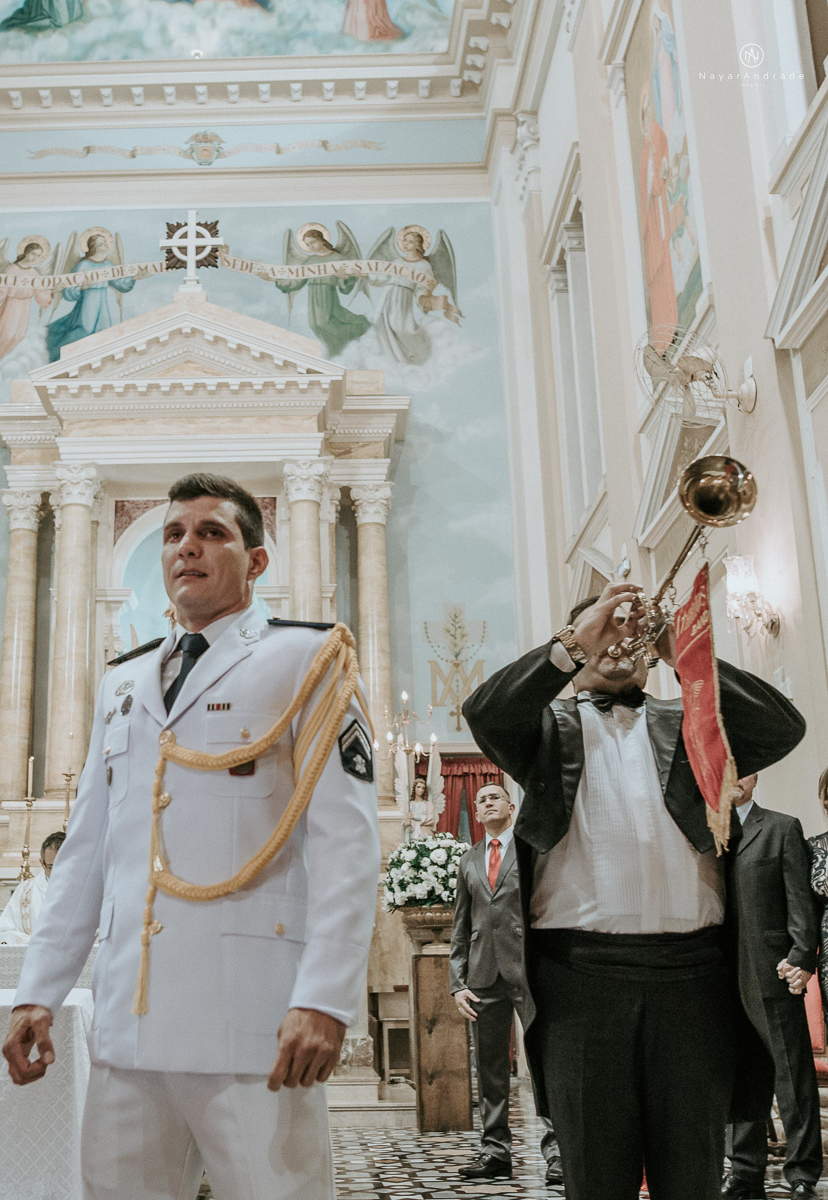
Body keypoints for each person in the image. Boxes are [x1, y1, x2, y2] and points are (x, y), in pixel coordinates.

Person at [3, 472, 381, 1200]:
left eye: (213, 533)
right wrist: (37, 992)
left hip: (255, 1020)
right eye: (175, 533)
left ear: (257, 560)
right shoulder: (124, 681)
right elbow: (87, 853)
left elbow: (346, 844)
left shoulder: (307, 660)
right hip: (128, 1026)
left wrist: (326, 999)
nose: (187, 548)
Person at [462, 582, 806, 1200]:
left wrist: (686, 655)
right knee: (595, 1177)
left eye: (631, 628)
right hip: (580, 985)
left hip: (692, 983)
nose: (619, 638)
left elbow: (781, 727)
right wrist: (571, 642)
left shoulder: (690, 722)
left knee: (693, 1178)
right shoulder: (541, 731)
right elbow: (486, 712)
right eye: (603, 627)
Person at [450, 784, 563, 1187]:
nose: (487, 802)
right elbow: (461, 926)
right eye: (481, 800)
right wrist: (457, 983)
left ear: (511, 807)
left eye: (495, 796)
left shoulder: (531, 850)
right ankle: (495, 1152)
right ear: (476, 815)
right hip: (483, 977)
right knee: (491, 1069)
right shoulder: (468, 861)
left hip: (529, 971)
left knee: (544, 1065)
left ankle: (557, 1155)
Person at [724, 773, 822, 1200]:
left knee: (791, 1075)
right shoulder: (706, 831)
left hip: (772, 968)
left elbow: (799, 899)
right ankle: (744, 1170)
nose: (734, 777)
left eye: (742, 769)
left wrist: (801, 956)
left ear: (755, 776)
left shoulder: (781, 827)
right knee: (738, 1075)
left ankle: (801, 1173)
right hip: (723, 975)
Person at [0, 832, 65, 946]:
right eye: (51, 867)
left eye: (63, 865)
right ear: (42, 863)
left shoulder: (89, 890)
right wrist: (37, 944)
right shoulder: (25, 891)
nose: (58, 872)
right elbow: (6, 931)